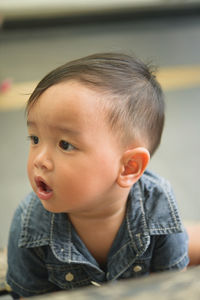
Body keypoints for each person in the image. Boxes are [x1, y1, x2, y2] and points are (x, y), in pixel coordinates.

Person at [6, 53, 189, 298]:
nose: (39, 159)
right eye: (35, 139)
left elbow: (171, 288)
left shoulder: (158, 208)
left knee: (185, 240)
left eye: (65, 144)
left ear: (129, 167)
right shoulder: (30, 225)